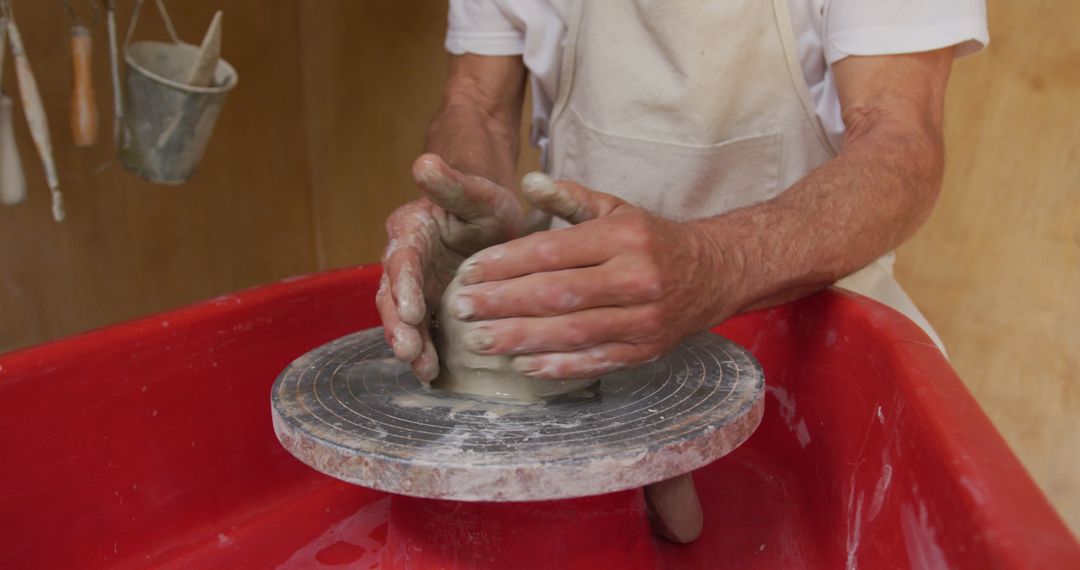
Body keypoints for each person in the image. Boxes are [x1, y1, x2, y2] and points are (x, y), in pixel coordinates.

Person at [377, 0, 988, 384]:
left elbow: (901, 141)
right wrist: (462, 202)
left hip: (813, 333)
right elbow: (476, 102)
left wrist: (713, 265)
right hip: (575, 329)